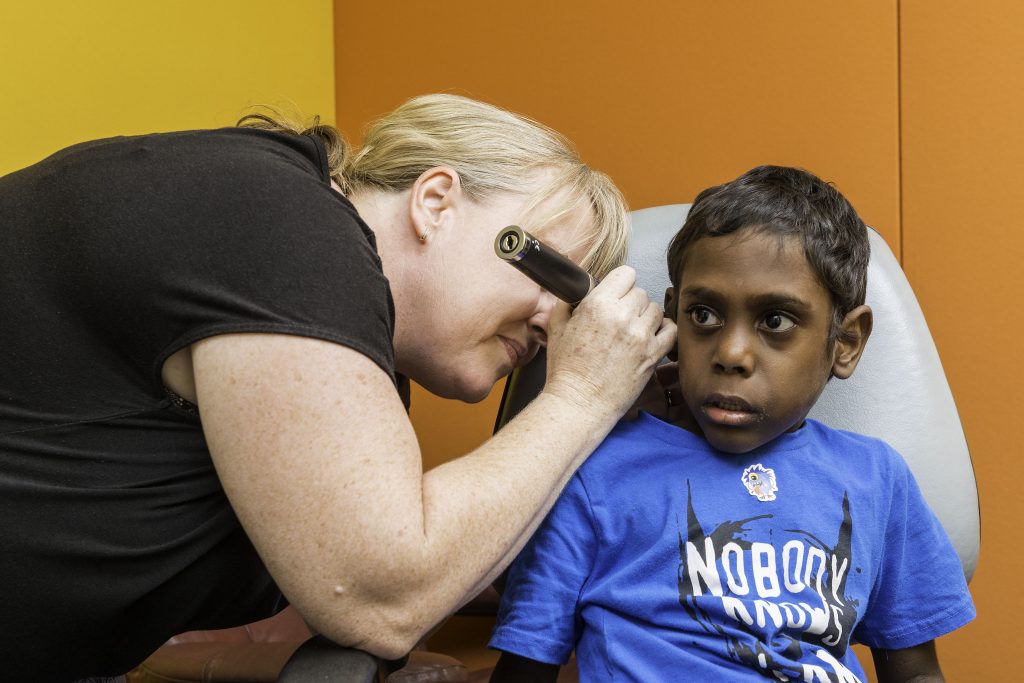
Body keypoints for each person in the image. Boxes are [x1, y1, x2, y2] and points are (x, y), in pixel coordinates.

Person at [0, 94, 676, 680]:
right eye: (549, 274)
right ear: (436, 201)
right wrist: (584, 396)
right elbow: (379, 596)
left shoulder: (348, 333)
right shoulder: (286, 226)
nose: (551, 323)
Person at [487, 166, 976, 683]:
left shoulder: (879, 479)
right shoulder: (593, 474)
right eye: (704, 315)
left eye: (776, 321)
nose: (731, 353)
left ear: (846, 343)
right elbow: (524, 666)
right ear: (673, 317)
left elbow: (918, 673)